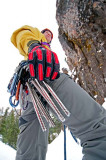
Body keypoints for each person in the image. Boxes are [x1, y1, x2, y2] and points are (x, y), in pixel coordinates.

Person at [11, 25, 106, 160]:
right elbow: (22, 33)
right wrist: (34, 45)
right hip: (45, 79)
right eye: (46, 33)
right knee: (100, 132)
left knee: (31, 153)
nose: (48, 36)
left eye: (50, 35)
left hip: (29, 91)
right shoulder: (37, 39)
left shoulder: (46, 49)